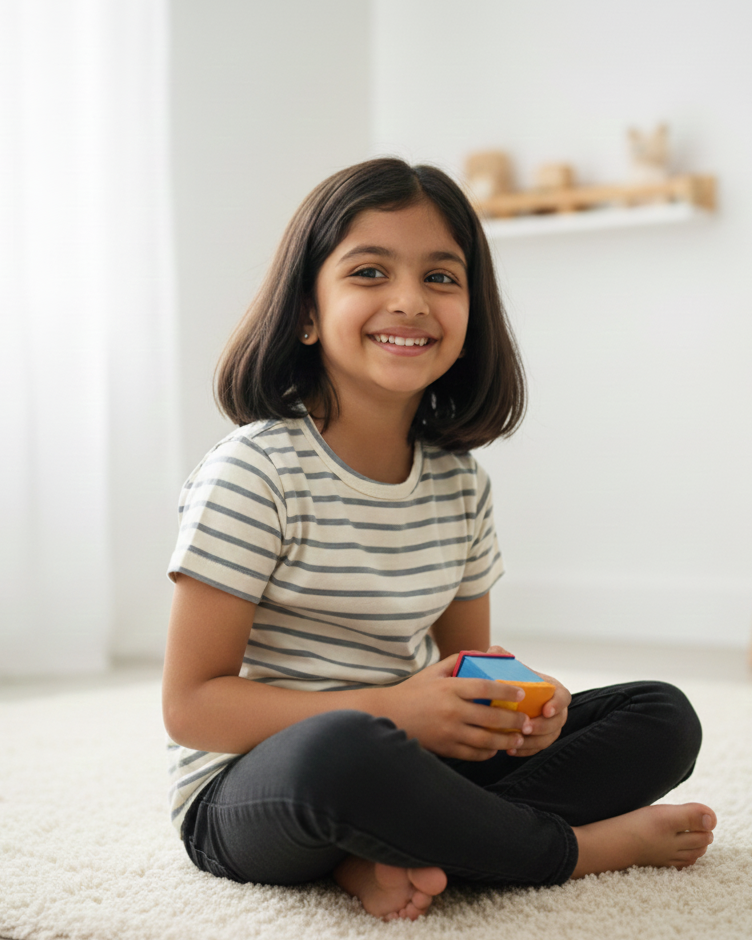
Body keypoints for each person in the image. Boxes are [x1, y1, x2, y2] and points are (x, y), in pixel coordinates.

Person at [162, 158, 715, 922]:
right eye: (369, 271)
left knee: (661, 716)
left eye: (442, 278)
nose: (409, 301)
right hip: (265, 787)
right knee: (345, 749)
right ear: (306, 313)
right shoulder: (253, 473)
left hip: (409, 763)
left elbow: (471, 670)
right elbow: (193, 708)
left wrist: (526, 710)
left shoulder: (459, 483)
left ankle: (389, 850)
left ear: (471, 313)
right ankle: (573, 850)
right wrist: (392, 708)